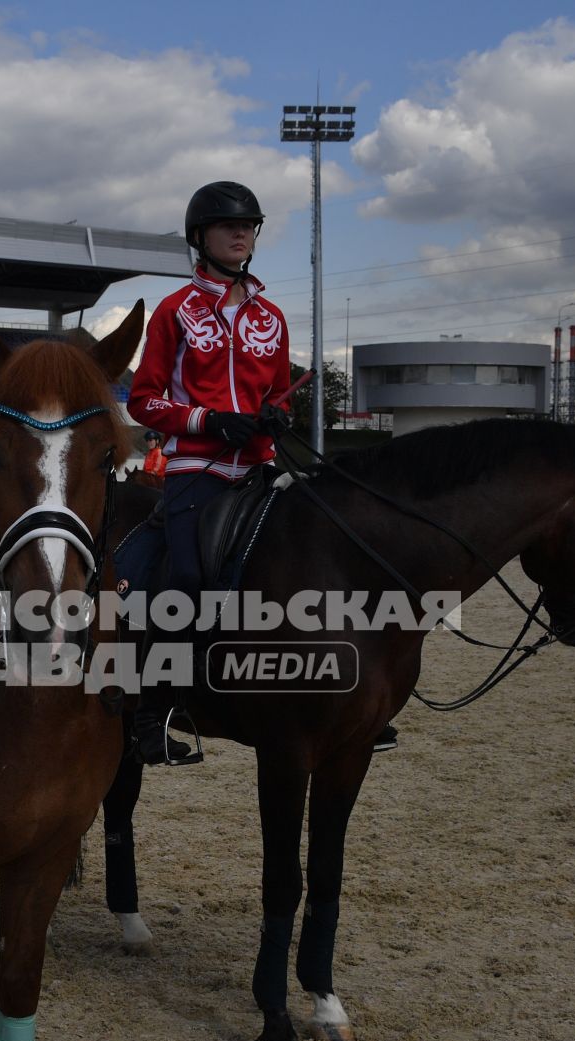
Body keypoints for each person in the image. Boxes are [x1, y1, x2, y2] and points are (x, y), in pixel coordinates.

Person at [127, 180, 398, 763]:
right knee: (189, 584)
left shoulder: (272, 317)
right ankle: (151, 713)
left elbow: (278, 395)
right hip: (197, 471)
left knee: (335, 557)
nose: (241, 232)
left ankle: (351, 700)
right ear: (199, 237)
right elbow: (143, 402)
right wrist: (210, 420)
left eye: (249, 225)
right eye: (229, 225)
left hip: (262, 469)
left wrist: (274, 416)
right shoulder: (175, 311)